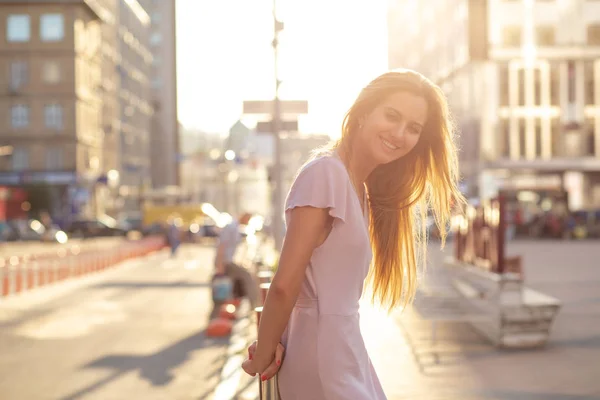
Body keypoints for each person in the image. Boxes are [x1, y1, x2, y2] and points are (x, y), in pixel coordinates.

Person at [241, 69, 464, 399]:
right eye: (391, 115)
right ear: (362, 112)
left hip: (343, 350)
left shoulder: (357, 189)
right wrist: (265, 351)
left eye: (413, 128)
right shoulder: (325, 174)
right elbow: (285, 285)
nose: (400, 133)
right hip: (323, 356)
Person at [211, 212, 259, 318]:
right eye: (248, 220)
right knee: (246, 278)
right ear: (244, 217)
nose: (248, 222)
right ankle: (255, 308)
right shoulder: (231, 227)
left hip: (228, 261)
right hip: (225, 262)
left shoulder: (235, 227)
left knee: (225, 286)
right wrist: (220, 265)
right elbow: (222, 245)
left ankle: (218, 314)